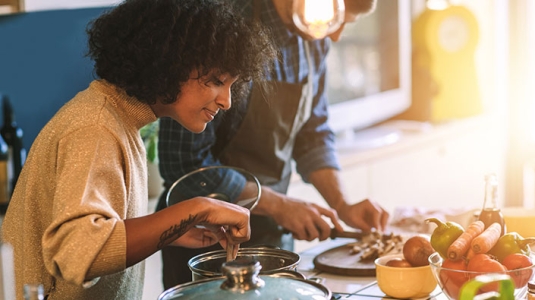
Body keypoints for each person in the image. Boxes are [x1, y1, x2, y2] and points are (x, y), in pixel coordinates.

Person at [1, 0, 278, 299]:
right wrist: (199, 207)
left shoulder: (120, 120)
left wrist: (169, 231)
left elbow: (103, 229)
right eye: (215, 81)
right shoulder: (95, 127)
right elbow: (77, 252)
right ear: (170, 61)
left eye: (231, 85)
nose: (227, 101)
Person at [157, 0, 391, 288]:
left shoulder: (313, 41)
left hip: (271, 238)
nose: (336, 35)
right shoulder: (219, 26)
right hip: (205, 243)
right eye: (335, 19)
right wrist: (279, 205)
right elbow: (184, 165)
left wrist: (342, 204)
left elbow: (312, 134)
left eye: (345, 22)